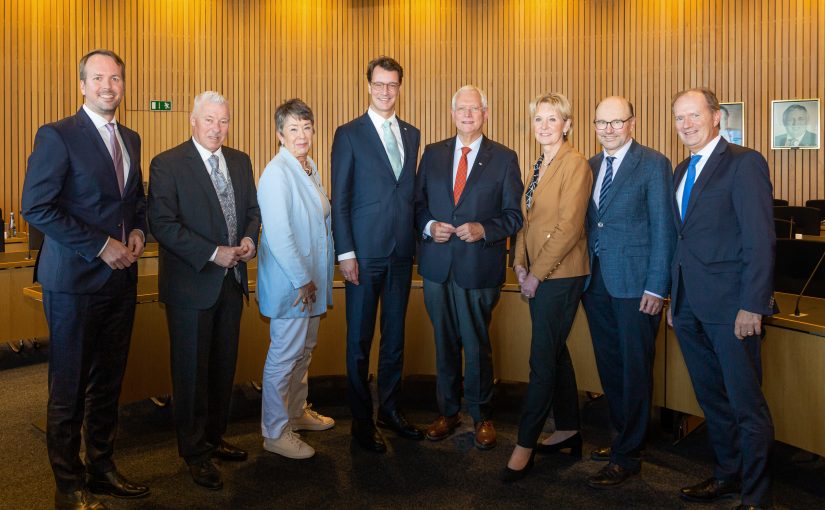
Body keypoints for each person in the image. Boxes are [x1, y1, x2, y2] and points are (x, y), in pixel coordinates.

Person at [22, 49, 150, 510]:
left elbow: (135, 200)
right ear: (82, 85)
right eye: (98, 78)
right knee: (69, 386)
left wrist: (137, 230)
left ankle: (102, 467)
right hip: (73, 282)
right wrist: (100, 245)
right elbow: (37, 206)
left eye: (115, 78)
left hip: (120, 281)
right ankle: (68, 483)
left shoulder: (132, 138)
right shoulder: (57, 135)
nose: (108, 86)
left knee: (108, 383)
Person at [147, 91, 261, 490]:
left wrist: (249, 240)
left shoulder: (241, 161)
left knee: (222, 369)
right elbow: (162, 223)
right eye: (209, 120)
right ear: (193, 122)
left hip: (231, 286)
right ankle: (194, 452)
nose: (217, 128)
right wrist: (214, 253)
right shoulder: (168, 164)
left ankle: (215, 438)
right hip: (191, 286)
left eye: (224, 120)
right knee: (191, 373)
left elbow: (252, 212)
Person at [669, 87, 775, 510]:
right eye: (679, 117)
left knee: (746, 405)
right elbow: (682, 240)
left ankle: (756, 495)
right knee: (712, 399)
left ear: (717, 117)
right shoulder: (681, 170)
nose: (686, 124)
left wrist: (753, 303)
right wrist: (676, 300)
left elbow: (760, 239)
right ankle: (728, 475)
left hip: (733, 308)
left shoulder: (744, 163)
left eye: (694, 115)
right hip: (689, 307)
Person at [415, 85, 523, 451]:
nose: (467, 114)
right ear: (452, 113)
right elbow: (418, 206)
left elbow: (513, 216)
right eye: (461, 109)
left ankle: (481, 415)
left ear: (485, 114)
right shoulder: (431, 154)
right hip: (436, 268)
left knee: (476, 344)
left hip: (478, 268)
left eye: (474, 109)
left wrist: (483, 229)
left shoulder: (504, 158)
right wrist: (430, 227)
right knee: (443, 341)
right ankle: (447, 412)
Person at [580, 96, 675, 488]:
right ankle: (622, 440)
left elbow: (663, 230)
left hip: (638, 285)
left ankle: (629, 455)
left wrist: (657, 285)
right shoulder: (590, 166)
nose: (609, 129)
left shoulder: (653, 164)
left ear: (632, 123)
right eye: (602, 123)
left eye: (617, 122)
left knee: (635, 369)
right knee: (611, 367)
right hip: (596, 281)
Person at [331, 56, 424, 452]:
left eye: (393, 85)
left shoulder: (412, 133)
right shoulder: (348, 133)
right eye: (379, 84)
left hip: (401, 252)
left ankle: (389, 409)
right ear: (368, 86)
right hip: (363, 255)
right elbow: (341, 199)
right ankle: (360, 423)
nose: (386, 91)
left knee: (394, 338)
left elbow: (409, 195)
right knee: (359, 341)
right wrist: (346, 253)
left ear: (400, 87)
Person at [502, 92, 592, 482]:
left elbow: (570, 227)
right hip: (538, 272)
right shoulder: (539, 163)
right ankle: (569, 428)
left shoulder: (576, 165)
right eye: (538, 119)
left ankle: (524, 443)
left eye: (552, 119)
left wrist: (536, 273)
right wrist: (520, 265)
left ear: (567, 124)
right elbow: (527, 221)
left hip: (563, 274)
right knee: (555, 351)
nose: (544, 126)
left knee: (541, 360)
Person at [256, 99, 335, 459]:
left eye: (307, 127)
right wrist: (303, 280)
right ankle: (274, 431)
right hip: (294, 284)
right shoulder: (276, 173)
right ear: (279, 135)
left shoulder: (308, 167)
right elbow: (279, 233)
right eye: (293, 129)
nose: (301, 135)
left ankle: (296, 412)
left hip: (312, 283)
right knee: (284, 356)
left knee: (304, 352)